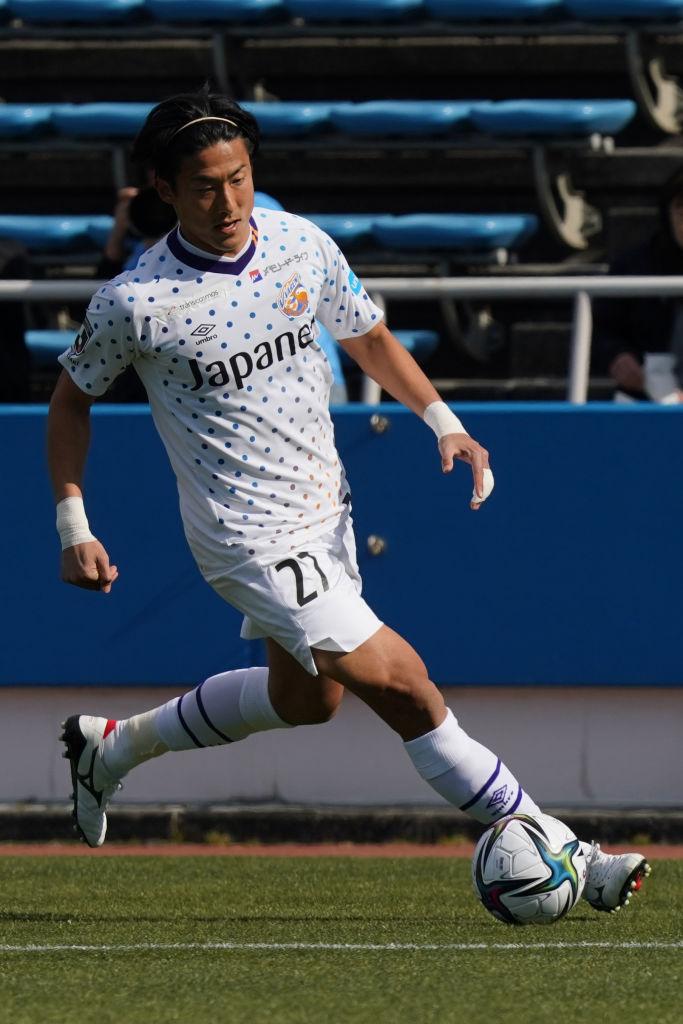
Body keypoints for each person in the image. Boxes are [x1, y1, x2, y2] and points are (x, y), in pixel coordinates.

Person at [48, 88, 648, 914]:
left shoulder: (299, 243)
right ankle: (572, 853)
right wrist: (73, 524)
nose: (228, 202)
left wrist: (443, 421)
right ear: (163, 189)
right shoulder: (135, 301)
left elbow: (365, 333)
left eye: (238, 178)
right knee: (403, 684)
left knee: (307, 701)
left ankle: (110, 749)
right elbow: (69, 402)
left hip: (327, 513)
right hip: (245, 536)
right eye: (204, 187)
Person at [595, 168, 683, 403]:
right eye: (680, 207)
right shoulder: (632, 266)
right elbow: (602, 329)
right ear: (667, 213)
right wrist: (617, 356)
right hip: (643, 400)